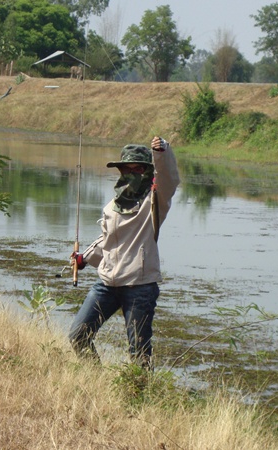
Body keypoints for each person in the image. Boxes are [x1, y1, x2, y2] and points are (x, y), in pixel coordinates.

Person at [68, 136, 180, 370]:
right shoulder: (112, 205)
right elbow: (107, 238)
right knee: (78, 335)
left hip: (140, 285)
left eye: (137, 169)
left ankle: (139, 398)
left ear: (147, 171)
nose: (131, 174)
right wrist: (85, 258)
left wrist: (162, 152)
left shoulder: (155, 199)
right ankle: (96, 381)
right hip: (107, 283)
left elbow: (170, 178)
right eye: (126, 169)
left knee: (139, 353)